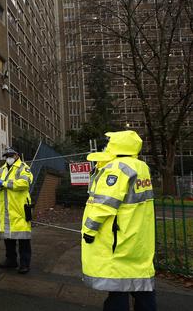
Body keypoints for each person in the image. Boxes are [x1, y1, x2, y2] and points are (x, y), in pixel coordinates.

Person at [81, 131, 156, 311]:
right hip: (138, 237)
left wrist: (89, 230)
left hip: (117, 239)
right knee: (141, 285)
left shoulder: (117, 168)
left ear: (118, 145)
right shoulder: (141, 166)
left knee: (118, 287)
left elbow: (103, 204)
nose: (107, 145)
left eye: (110, 142)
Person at [0, 147, 34, 274]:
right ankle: (11, 260)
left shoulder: (23, 167)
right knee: (8, 237)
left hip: (20, 208)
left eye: (10, 155)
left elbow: (24, 183)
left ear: (16, 155)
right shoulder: (1, 169)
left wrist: (3, 183)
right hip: (6, 209)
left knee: (23, 238)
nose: (8, 158)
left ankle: (24, 264)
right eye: (6, 156)